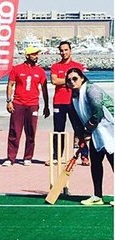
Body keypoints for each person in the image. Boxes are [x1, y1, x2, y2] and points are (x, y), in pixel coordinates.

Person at [65, 67, 114, 205]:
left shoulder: (91, 90)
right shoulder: (74, 97)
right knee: (96, 163)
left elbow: (97, 112)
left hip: (109, 128)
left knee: (113, 161)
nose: (72, 82)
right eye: (69, 80)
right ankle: (97, 196)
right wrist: (81, 137)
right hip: (96, 132)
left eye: (75, 78)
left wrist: (87, 132)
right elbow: (77, 120)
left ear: (82, 78)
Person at [2, 46, 50, 167]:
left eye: (37, 54)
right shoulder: (17, 69)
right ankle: (10, 158)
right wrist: (9, 101)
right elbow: (10, 84)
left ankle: (28, 157)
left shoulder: (40, 71)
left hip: (33, 105)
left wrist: (46, 106)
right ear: (27, 56)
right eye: (33, 54)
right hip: (18, 104)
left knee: (31, 132)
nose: (36, 56)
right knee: (15, 131)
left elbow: (44, 89)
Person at [46, 41, 89, 166]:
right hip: (59, 102)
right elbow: (54, 80)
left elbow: (80, 82)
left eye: (66, 50)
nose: (63, 52)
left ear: (70, 50)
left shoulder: (77, 66)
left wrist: (64, 81)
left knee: (79, 129)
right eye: (61, 50)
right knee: (58, 130)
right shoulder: (55, 66)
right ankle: (56, 157)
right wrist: (70, 81)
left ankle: (85, 155)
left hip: (74, 101)